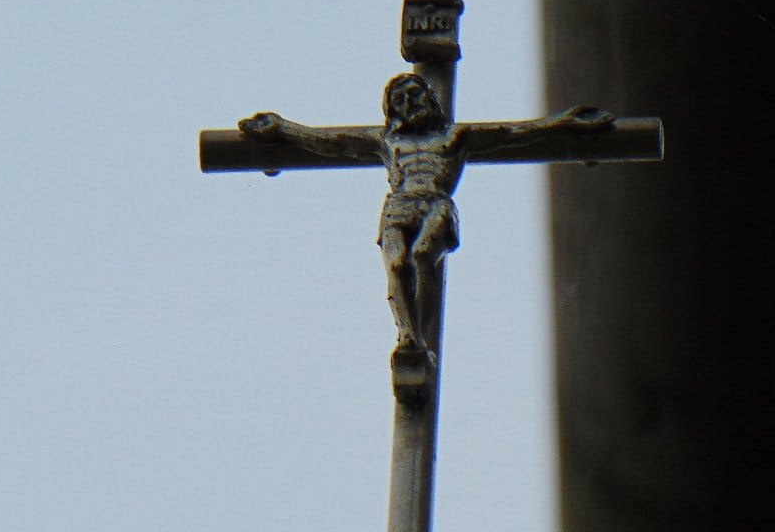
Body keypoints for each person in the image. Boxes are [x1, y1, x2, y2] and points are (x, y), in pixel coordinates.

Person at [240, 73, 614, 357]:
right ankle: (409, 336)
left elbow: (515, 133)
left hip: (435, 203)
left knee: (422, 256)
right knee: (398, 263)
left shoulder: (454, 137)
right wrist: (283, 128)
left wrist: (564, 122)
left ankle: (423, 340)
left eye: (414, 94)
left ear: (430, 98)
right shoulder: (388, 140)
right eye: (400, 100)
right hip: (397, 207)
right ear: (393, 112)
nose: (410, 102)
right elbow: (333, 143)